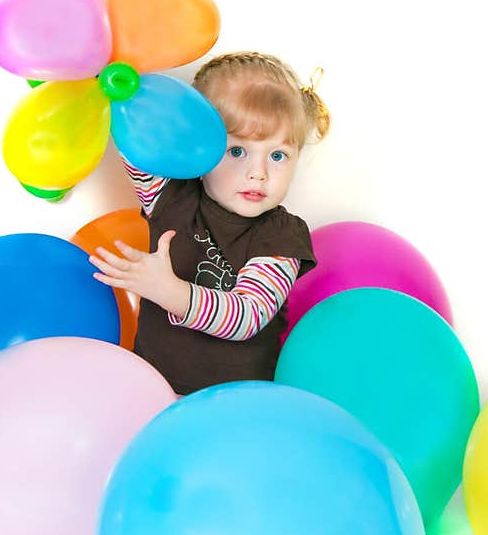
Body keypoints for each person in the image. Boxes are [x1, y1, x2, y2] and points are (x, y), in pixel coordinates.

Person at [89, 52, 330, 395]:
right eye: (237, 151)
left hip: (236, 406)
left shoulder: (282, 235)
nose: (258, 173)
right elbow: (135, 139)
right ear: (199, 145)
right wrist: (111, 84)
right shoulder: (169, 194)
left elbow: (249, 315)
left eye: (277, 156)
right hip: (150, 390)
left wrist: (171, 292)